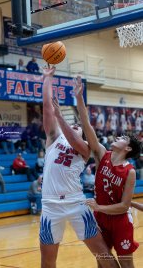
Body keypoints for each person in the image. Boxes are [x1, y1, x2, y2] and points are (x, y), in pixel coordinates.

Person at [40, 64, 119, 268]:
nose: (75, 126)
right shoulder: (53, 139)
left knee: (101, 251)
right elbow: (47, 108)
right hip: (50, 205)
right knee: (48, 260)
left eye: (78, 127)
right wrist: (48, 78)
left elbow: (74, 140)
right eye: (72, 124)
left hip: (76, 203)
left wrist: (61, 117)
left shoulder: (83, 149)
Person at [66, 75, 142, 268]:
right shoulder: (101, 154)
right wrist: (79, 98)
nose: (118, 137)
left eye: (123, 138)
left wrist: (99, 207)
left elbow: (124, 206)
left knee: (126, 265)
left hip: (119, 221)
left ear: (128, 149)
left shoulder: (130, 171)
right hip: (101, 218)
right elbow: (88, 127)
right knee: (103, 263)